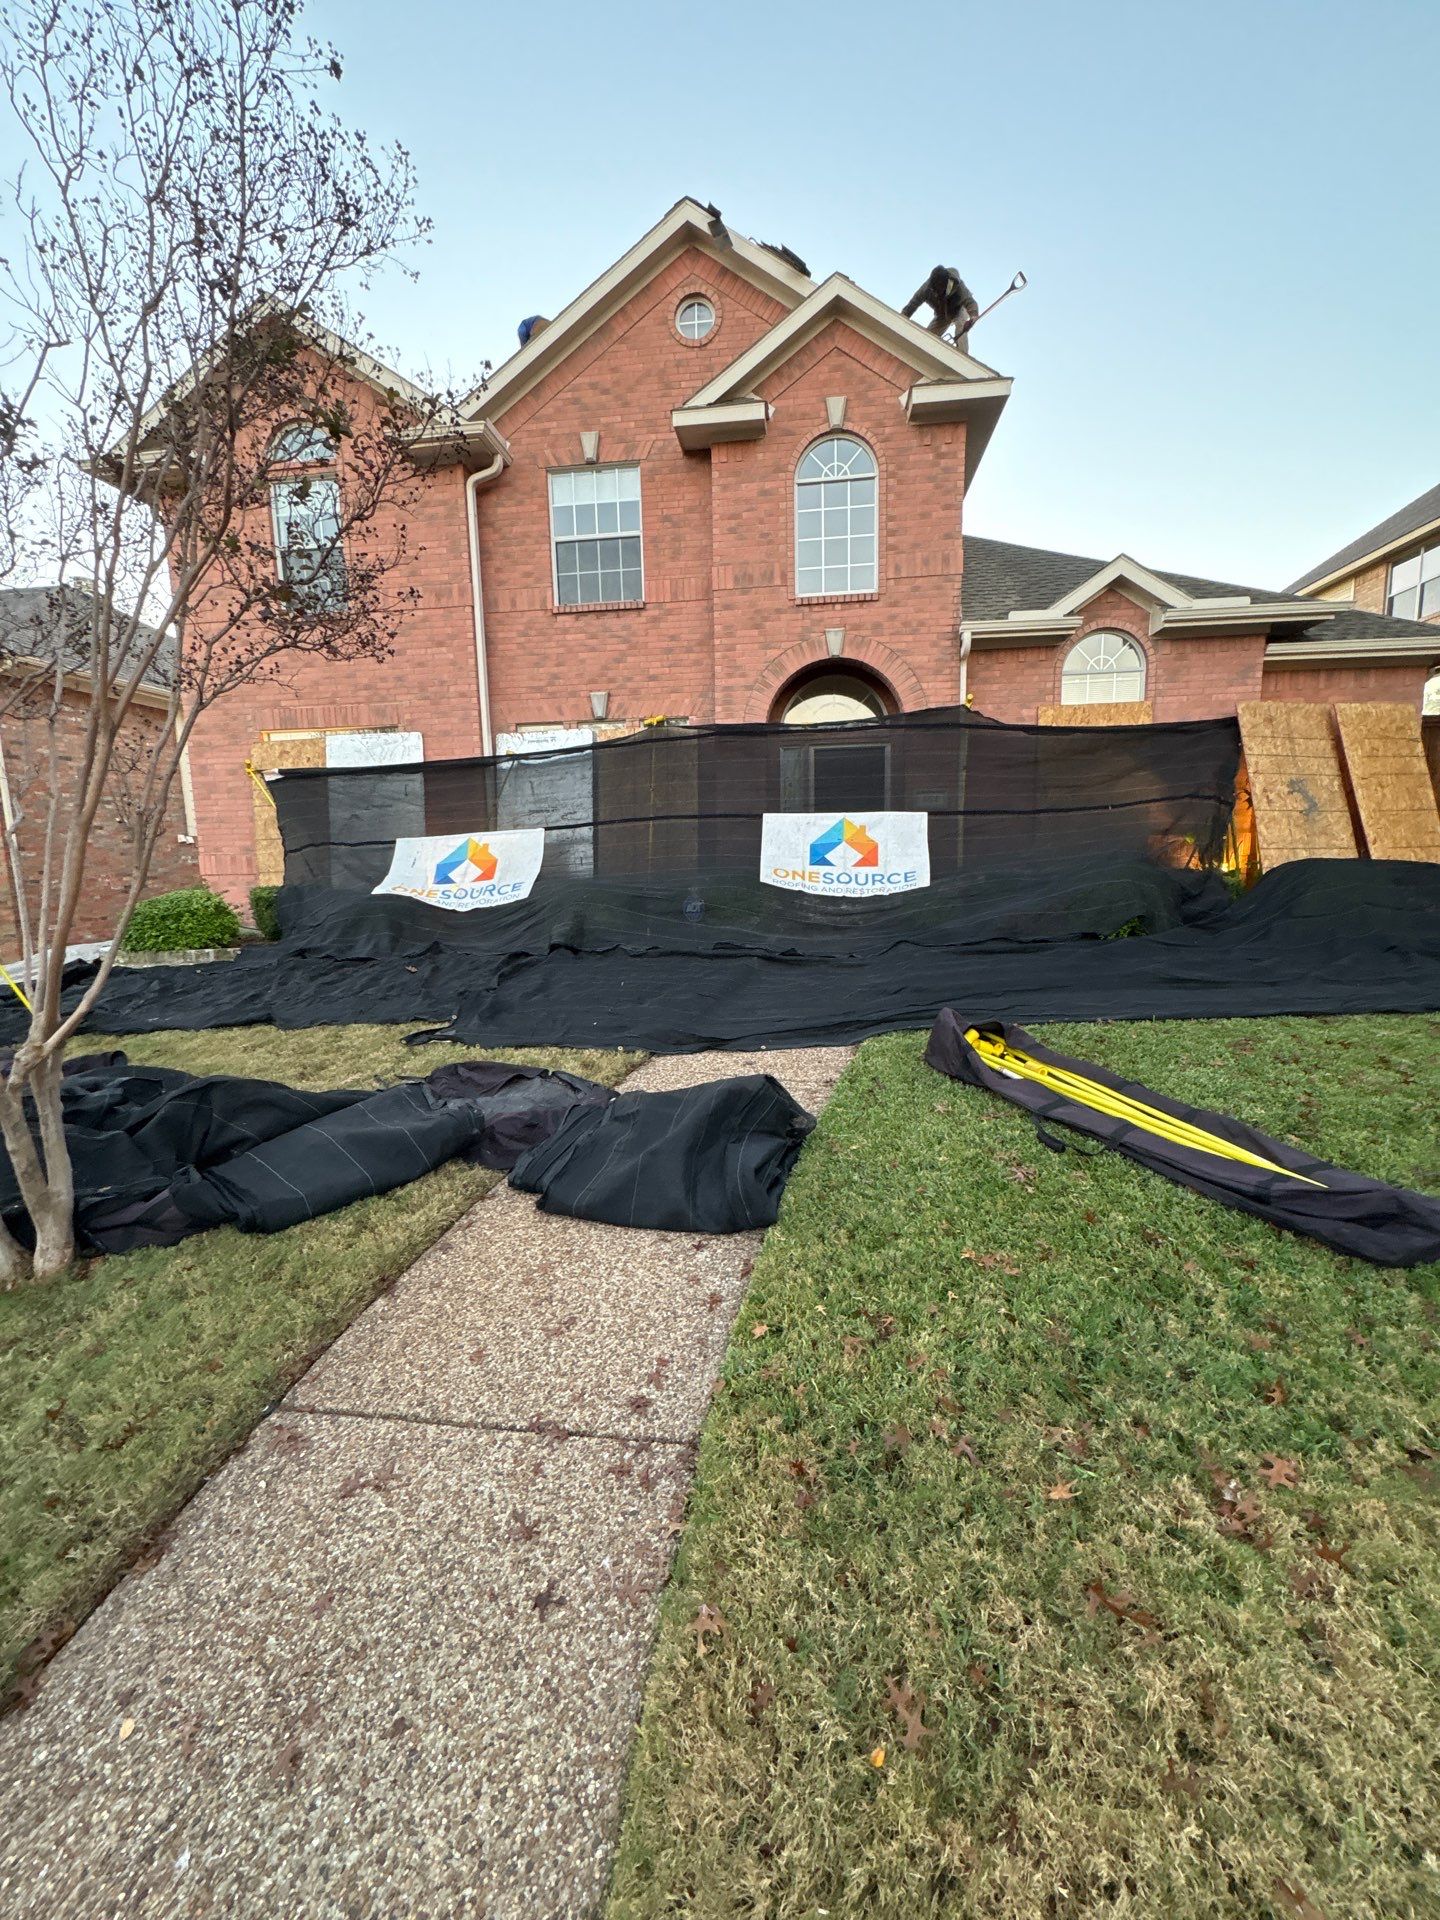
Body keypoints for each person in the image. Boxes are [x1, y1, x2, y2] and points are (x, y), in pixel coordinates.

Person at [901, 266, 980, 344]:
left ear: (946, 283)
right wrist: (901, 320)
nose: (938, 293)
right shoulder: (926, 289)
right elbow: (912, 304)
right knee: (928, 336)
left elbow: (970, 301)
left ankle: (962, 353)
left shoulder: (958, 286)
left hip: (960, 307)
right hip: (943, 313)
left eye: (941, 289)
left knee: (961, 325)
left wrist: (973, 317)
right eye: (936, 290)